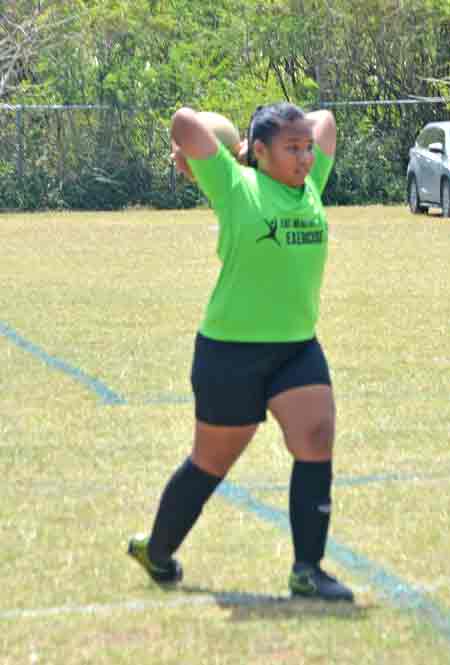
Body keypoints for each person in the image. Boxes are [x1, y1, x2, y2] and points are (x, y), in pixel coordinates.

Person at [126, 102, 353, 602]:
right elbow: (183, 121)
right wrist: (229, 146)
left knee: (316, 438)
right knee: (210, 463)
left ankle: (308, 571)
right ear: (261, 152)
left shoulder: (311, 186)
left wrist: (284, 133)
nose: (305, 157)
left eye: (307, 148)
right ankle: (157, 551)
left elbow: (327, 119)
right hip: (230, 352)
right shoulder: (234, 186)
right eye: (292, 148)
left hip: (296, 349)